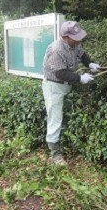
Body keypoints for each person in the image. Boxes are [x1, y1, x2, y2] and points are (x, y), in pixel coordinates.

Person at [42, 21, 100, 165]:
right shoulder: (56, 50)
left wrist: (90, 63)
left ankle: (66, 141)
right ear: (65, 37)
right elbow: (61, 73)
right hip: (54, 86)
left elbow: (82, 54)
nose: (79, 40)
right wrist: (80, 78)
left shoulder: (75, 43)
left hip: (68, 84)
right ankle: (55, 154)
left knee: (65, 114)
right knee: (55, 118)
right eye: (76, 37)